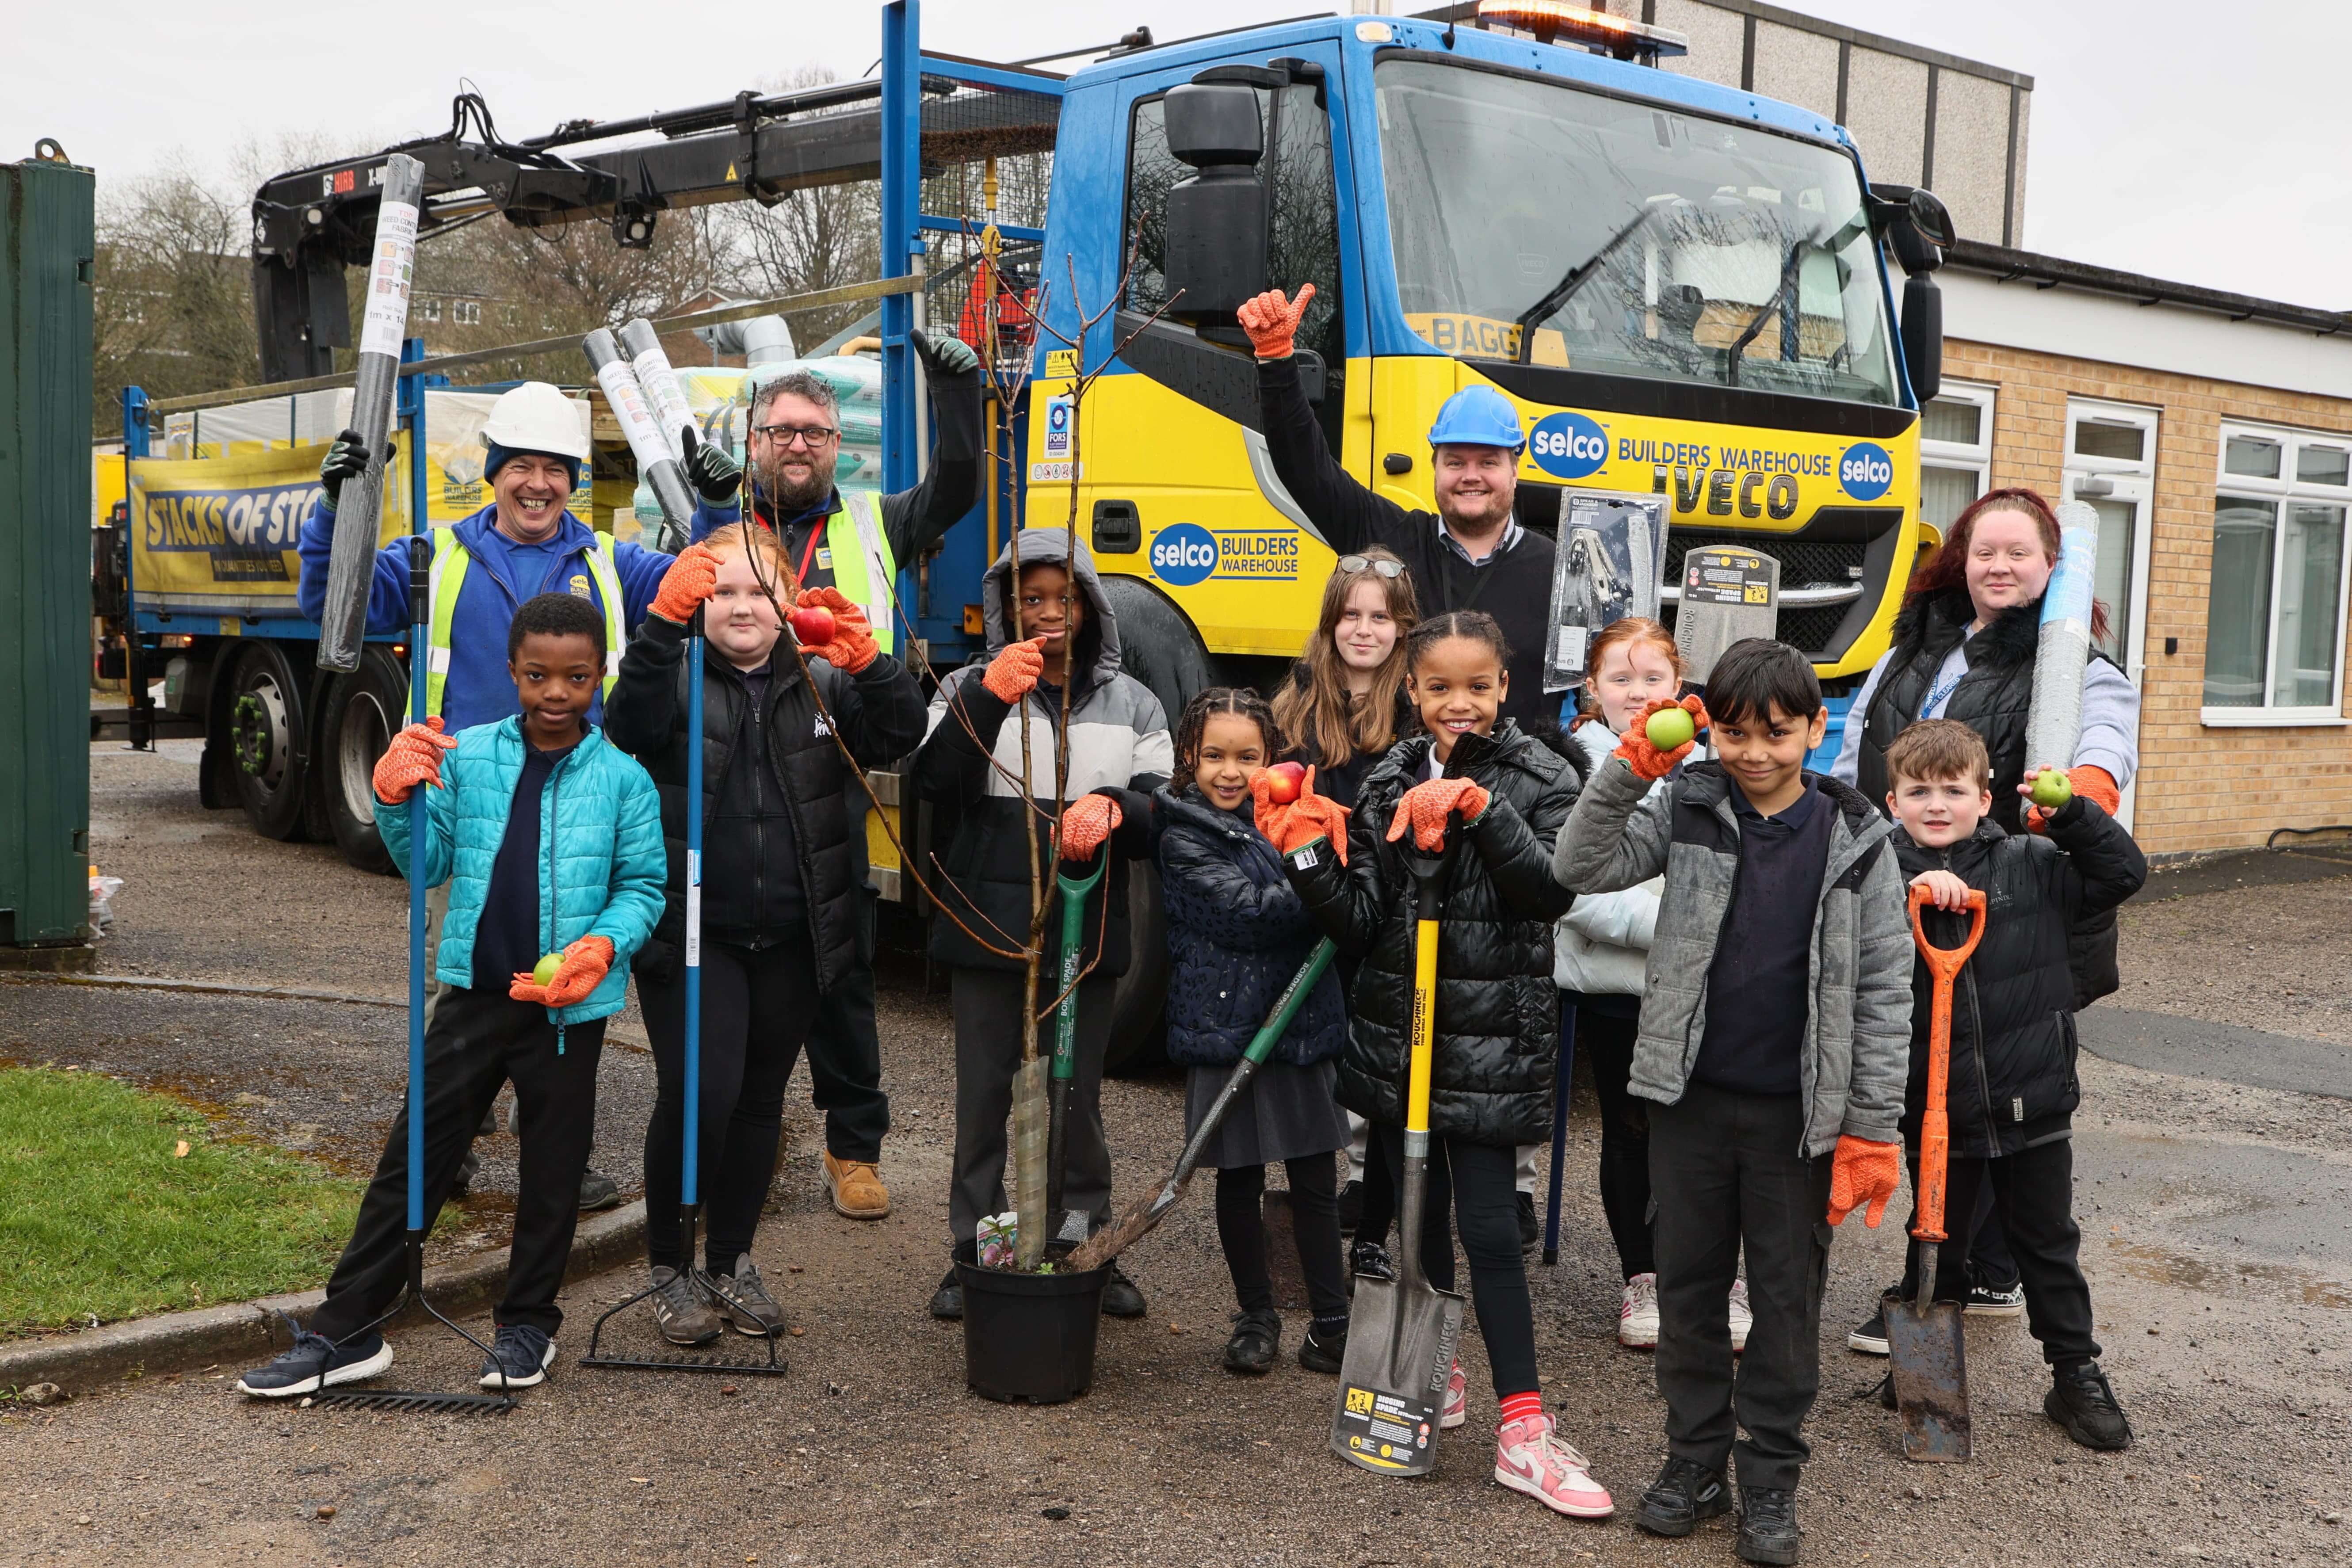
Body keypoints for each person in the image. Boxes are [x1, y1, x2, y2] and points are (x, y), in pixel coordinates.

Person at [234, 595, 665, 1398]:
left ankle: (527, 1322)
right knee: (416, 1154)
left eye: (575, 676)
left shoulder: (624, 780)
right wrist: (397, 798)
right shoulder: (464, 758)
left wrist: (603, 946)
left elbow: (642, 886)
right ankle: (348, 1328)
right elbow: (426, 863)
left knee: (553, 1171)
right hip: (472, 994)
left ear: (599, 675)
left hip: (566, 1009)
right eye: (537, 675)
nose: (556, 693)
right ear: (511, 673)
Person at [1555, 638, 1912, 1566]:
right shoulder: (1687, 804)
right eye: (1736, 734)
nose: (1754, 753)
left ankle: (1769, 1483)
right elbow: (1579, 865)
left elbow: (1882, 987)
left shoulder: (1857, 836)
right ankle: (1693, 1463)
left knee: (1787, 1308)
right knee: (1688, 1295)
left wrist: (1871, 1126)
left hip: (1799, 1117)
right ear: (1708, 728)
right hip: (1689, 1101)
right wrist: (1629, 768)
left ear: (1815, 729)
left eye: (1777, 734)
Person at [1260, 610, 1612, 1522]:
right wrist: (1301, 849)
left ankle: (1524, 1432)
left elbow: (1550, 890)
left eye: (1478, 686)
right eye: (1439, 687)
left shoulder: (1542, 774)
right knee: (1413, 1217)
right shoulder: (1387, 773)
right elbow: (1363, 923)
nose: (1459, 704)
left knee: (1492, 1229)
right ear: (1409, 692)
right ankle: (1432, 1366)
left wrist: (1480, 810)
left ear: (1503, 688)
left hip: (1488, 1039)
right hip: (1400, 1033)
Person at [298, 380, 671, 1213]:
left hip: (576, 802)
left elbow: (708, 595)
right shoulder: (438, 555)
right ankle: (447, 1144)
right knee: (465, 985)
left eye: (555, 469)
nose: (537, 483)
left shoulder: (612, 562)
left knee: (566, 987)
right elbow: (334, 605)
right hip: (469, 799)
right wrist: (335, 515)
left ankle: (559, 1158)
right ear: (493, 471)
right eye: (521, 466)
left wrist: (714, 514)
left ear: (575, 479)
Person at [673, 332, 982, 1223]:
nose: (797, 444)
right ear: (754, 443)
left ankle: (852, 1146)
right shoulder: (721, 522)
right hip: (733, 762)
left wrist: (953, 395)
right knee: (733, 958)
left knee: (839, 967)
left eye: (814, 431)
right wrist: (703, 516)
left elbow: (959, 486)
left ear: (836, 446)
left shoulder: (877, 522)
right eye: (780, 430)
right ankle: (737, 1141)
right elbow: (678, 621)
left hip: (835, 756)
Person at [601, 526, 926, 1345]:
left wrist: (868, 660)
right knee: (698, 1097)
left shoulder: (820, 682)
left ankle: (731, 1258)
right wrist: (658, 630)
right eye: (722, 592)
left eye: (759, 591)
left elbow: (903, 732)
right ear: (696, 601)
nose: (741, 606)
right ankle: (669, 1267)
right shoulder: (672, 678)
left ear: (788, 602)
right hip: (693, 931)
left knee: (757, 1103)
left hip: (793, 934)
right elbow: (625, 724)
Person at [1832, 487, 2141, 1324]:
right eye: (1983, 551)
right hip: (1910, 893)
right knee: (1933, 1084)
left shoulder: (2071, 666)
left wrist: (2086, 788)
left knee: (1989, 1089)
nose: (1999, 566)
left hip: (2014, 903)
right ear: (1958, 560)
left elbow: (2106, 743)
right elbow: (1859, 742)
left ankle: (1952, 1276)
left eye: (2019, 553)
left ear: (2054, 567)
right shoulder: (1917, 648)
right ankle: (1969, 1267)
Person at [911, 528, 1171, 1321]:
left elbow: (1163, 813)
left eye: (1066, 599)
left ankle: (1079, 1241)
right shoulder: (966, 684)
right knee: (985, 1099)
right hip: (988, 927)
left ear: (1092, 608)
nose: (1050, 614)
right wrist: (989, 695)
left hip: (1085, 932)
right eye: (1033, 599)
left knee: (1075, 1099)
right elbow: (933, 783)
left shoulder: (1134, 702)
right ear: (1007, 604)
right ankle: (978, 1252)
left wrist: (1116, 808)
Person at [1865, 720, 2146, 1450]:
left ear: (1983, 797)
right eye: (1918, 790)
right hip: (1936, 1104)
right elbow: (1841, 931)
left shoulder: (2032, 862)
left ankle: (2075, 1373)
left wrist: (2075, 816)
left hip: (2034, 1093)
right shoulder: (1876, 874)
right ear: (1892, 801)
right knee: (1936, 1235)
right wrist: (1908, 889)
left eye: (1953, 790)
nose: (1936, 803)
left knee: (2048, 1243)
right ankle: (1921, 1371)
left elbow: (2122, 874)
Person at [1240, 286, 1559, 732]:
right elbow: (1305, 469)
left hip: (1517, 792)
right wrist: (1276, 361)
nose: (1470, 476)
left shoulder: (1558, 570)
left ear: (1514, 471)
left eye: (1487, 462)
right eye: (1455, 462)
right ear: (1434, 468)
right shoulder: (1387, 537)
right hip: (1397, 781)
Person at [1554, 617, 1746, 1354]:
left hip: (1703, 991)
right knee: (1633, 1133)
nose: (1638, 694)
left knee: (1711, 1135)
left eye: (1653, 678)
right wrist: (1685, 925)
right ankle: (1644, 1276)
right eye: (1620, 679)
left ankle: (1717, 1277)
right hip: (1617, 987)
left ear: (1679, 686)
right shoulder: (1576, 766)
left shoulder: (1712, 765)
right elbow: (1577, 892)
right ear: (1591, 690)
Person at [1156, 688, 1352, 1376]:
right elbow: (1248, 914)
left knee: (1314, 1178)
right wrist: (1317, 868)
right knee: (1236, 1178)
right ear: (1189, 757)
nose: (1231, 771)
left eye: (1248, 756)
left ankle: (1333, 1320)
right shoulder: (1183, 833)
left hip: (1298, 1018)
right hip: (1223, 1025)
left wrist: (1319, 849)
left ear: (1273, 759)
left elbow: (1345, 905)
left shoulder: (1292, 818)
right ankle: (1257, 1314)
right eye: (1214, 756)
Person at [1268, 547, 1419, 1280]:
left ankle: (1375, 1230)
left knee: (1382, 1081)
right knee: (1311, 1069)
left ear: (1402, 627)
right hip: (1310, 909)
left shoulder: (1417, 714)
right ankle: (1312, 1205)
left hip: (1384, 920)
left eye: (1379, 617)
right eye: (1349, 616)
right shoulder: (1294, 706)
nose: (1363, 630)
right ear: (1328, 625)